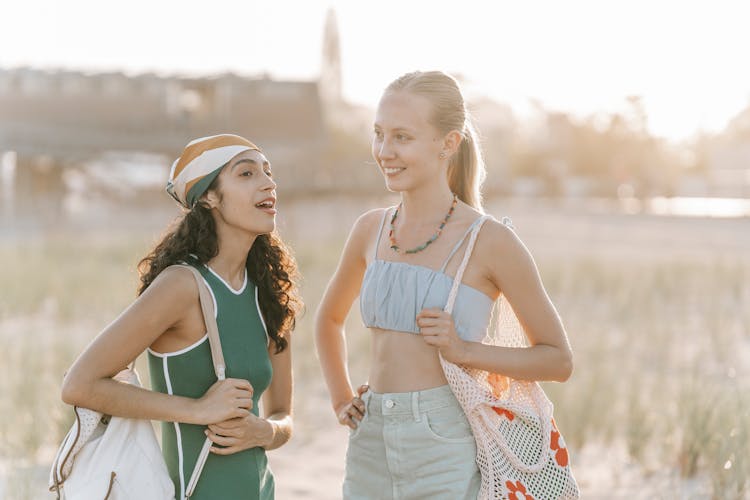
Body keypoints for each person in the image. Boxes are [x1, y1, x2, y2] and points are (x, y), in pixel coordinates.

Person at [314, 71, 574, 499]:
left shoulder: (490, 240)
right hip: (370, 438)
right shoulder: (369, 229)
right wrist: (342, 398)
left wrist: (466, 351)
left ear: (448, 144)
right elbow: (328, 319)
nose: (384, 151)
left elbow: (558, 360)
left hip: (445, 440)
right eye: (379, 134)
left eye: (402, 137)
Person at [61, 134, 302, 499]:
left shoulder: (268, 291)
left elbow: (283, 414)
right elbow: (79, 385)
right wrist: (197, 409)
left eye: (268, 173)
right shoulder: (182, 285)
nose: (269, 183)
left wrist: (266, 432)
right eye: (247, 174)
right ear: (209, 196)